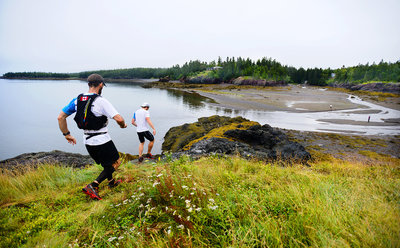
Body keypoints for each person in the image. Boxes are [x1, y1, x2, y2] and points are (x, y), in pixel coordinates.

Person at [57, 73, 127, 200]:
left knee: (106, 164)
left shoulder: (77, 100)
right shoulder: (101, 101)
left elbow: (60, 117)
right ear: (101, 84)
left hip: (88, 141)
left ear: (89, 84)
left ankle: (111, 183)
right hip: (102, 140)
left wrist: (67, 134)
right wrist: (123, 125)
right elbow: (119, 118)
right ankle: (93, 185)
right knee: (116, 162)